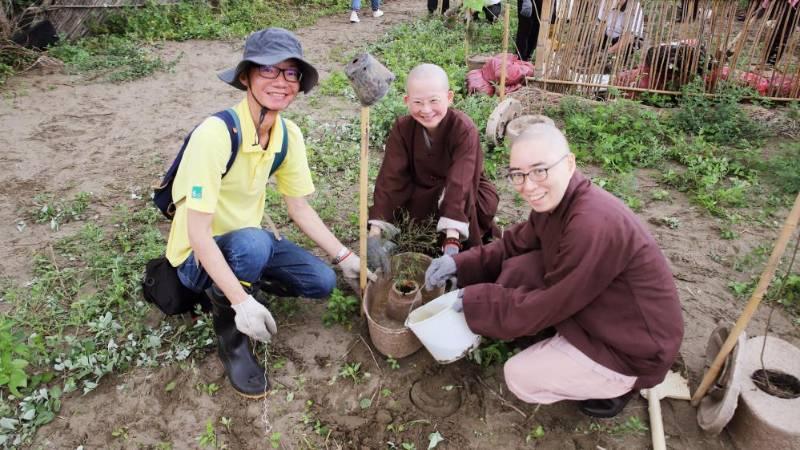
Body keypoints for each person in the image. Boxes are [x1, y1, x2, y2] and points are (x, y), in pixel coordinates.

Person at [165, 28, 374, 399]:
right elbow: (197, 233)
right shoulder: (214, 135)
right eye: (268, 70)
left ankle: (242, 282)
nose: (281, 82)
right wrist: (242, 304)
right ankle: (231, 336)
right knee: (253, 243)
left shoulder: (287, 134)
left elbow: (299, 208)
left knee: (321, 281)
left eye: (290, 73)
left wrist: (345, 257)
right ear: (245, 76)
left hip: (249, 243)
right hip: (196, 256)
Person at [425, 124, 683, 417]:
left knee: (520, 377)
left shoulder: (591, 224)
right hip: (600, 306)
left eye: (540, 170)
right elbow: (510, 246)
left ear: (569, 163)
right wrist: (458, 263)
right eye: (518, 175)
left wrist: (474, 301)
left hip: (632, 348)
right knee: (518, 267)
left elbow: (550, 302)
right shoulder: (558, 204)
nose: (529, 186)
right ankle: (562, 343)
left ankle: (619, 386)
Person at [367, 64, 499, 273]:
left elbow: (461, 182)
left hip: (465, 194)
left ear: (449, 97)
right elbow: (391, 178)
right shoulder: (402, 128)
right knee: (410, 232)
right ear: (406, 101)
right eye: (418, 102)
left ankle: (455, 244)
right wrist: (374, 234)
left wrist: (452, 245)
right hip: (422, 192)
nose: (426, 110)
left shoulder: (464, 129)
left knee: (461, 250)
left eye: (434, 101)